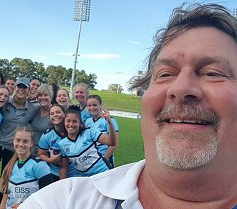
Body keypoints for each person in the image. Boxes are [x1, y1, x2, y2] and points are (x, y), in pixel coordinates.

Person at [19, 3, 237, 209]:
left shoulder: (92, 130)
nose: (179, 88)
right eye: (165, 74)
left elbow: (111, 143)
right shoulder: (58, 202)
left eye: (212, 73)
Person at [0, 77, 39, 208]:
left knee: (7, 176)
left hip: (12, 148)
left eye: (24, 87)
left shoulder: (33, 107)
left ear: (28, 90)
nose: (21, 89)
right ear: (15, 88)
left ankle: (1, 204)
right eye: (19, 86)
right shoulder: (6, 101)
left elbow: (48, 105)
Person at [0, 126, 53, 209]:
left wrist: (24, 205)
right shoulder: (10, 165)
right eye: (18, 140)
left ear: (31, 143)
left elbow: (48, 195)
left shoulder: (39, 165)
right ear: (13, 141)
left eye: (25, 141)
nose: (20, 144)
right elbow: (5, 197)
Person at [59, 105, 117, 178]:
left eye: (75, 121)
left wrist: (110, 123)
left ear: (80, 123)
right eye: (68, 121)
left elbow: (112, 142)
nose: (71, 124)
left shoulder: (89, 132)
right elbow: (64, 168)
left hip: (103, 173)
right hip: (86, 179)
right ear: (64, 122)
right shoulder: (62, 144)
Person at [38, 104, 78, 181]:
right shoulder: (47, 135)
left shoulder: (74, 130)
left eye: (58, 112)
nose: (55, 115)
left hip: (75, 172)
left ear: (65, 114)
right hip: (54, 173)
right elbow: (41, 154)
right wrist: (51, 160)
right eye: (52, 114)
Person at [85, 95, 119, 167]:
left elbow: (115, 144)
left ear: (100, 105)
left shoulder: (110, 120)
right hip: (91, 161)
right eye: (89, 105)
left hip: (105, 160)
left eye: (94, 105)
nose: (92, 108)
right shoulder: (87, 122)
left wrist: (104, 159)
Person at [30, 84, 53, 155]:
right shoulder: (35, 109)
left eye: (46, 95)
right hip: (31, 150)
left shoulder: (54, 112)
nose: (42, 97)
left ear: (51, 97)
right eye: (40, 95)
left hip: (45, 152)